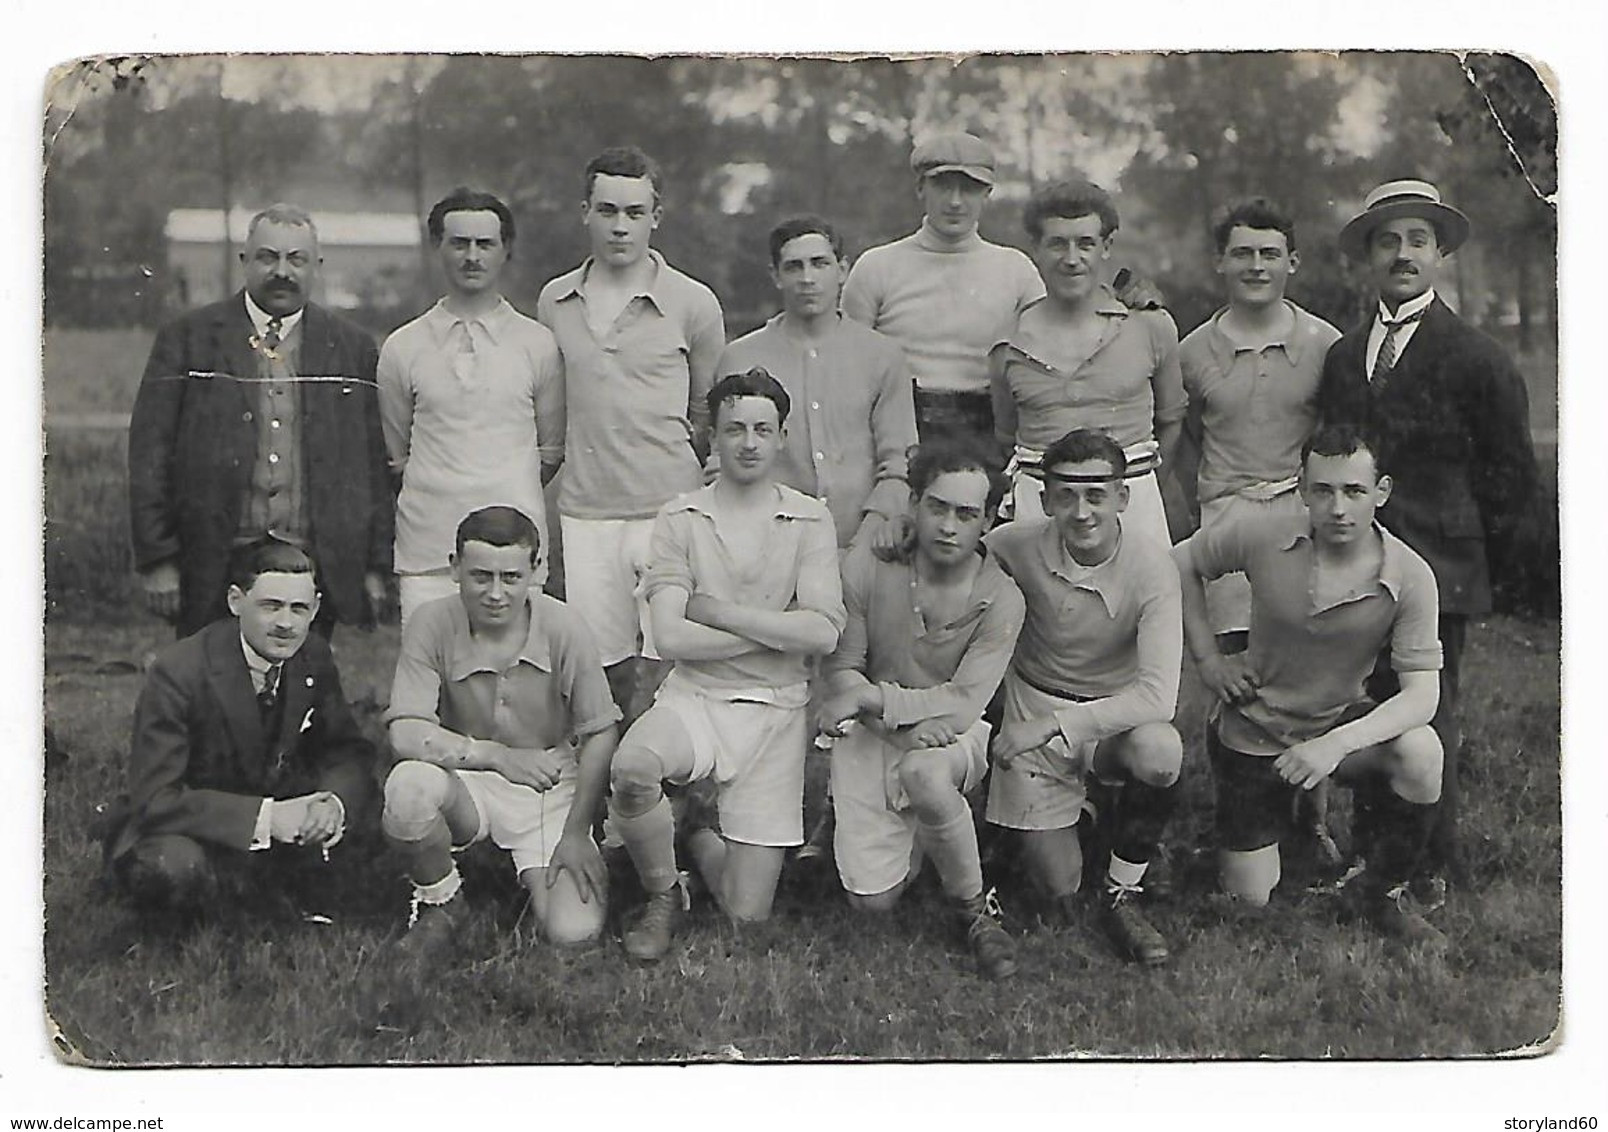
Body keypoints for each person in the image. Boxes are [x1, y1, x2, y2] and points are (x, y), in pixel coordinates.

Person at [1315, 179, 1540, 891]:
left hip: (1442, 566)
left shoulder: (1478, 357)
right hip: (1358, 560)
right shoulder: (1345, 355)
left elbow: (1511, 478)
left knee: (1430, 711)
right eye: (1388, 241)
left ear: (1439, 254)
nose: (1402, 254)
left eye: (1417, 240)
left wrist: (1490, 573)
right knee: (1370, 703)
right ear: (1368, 257)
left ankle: (1429, 866)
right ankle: (1371, 852)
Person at [607, 369, 845, 962]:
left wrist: (716, 612)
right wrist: (774, 634)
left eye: (763, 429)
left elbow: (824, 628)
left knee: (746, 913)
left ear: (783, 436)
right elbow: (670, 635)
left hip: (778, 711)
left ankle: (691, 831)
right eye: (734, 428)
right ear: (711, 435)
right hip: (697, 698)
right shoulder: (681, 517)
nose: (748, 442)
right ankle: (664, 892)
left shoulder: (810, 518)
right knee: (634, 767)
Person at [1173, 426, 1446, 944]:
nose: (1338, 508)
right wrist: (1210, 661)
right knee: (1250, 901)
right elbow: (1181, 562)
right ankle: (1274, 829)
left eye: (1354, 491)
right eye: (1322, 491)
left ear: (1381, 492)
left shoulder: (1411, 575)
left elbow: (1422, 697)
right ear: (1301, 489)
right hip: (1254, 727)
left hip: (1334, 728)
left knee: (1421, 751)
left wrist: (1335, 745)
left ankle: (1380, 891)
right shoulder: (1262, 531)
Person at [128, 203, 391, 638]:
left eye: (296, 259)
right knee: (211, 691)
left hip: (311, 563)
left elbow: (372, 465)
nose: (282, 272)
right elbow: (149, 454)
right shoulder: (189, 338)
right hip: (212, 561)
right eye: (268, 257)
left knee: (296, 693)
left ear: (317, 266)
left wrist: (375, 566)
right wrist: (158, 560)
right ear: (244, 262)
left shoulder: (351, 347)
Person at [819, 438, 1025, 979]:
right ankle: (893, 832)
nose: (949, 526)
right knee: (873, 903)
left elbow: (961, 704)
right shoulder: (869, 567)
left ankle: (977, 911)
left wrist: (875, 698)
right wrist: (889, 722)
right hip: (877, 732)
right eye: (937, 507)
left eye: (966, 514)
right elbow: (843, 673)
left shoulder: (1002, 596)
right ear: (913, 504)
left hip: (951, 737)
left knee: (923, 775)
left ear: (988, 519)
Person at [537, 146, 726, 722]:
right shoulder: (555, 299)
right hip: (587, 509)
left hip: (666, 509)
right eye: (608, 209)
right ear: (585, 212)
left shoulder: (693, 302)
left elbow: (706, 408)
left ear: (655, 217)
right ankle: (607, 793)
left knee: (673, 660)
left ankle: (672, 795)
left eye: (635, 212)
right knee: (600, 667)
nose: (621, 225)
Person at [380, 507, 621, 954]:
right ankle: (443, 900)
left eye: (510, 577)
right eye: (480, 576)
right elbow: (406, 733)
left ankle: (545, 862)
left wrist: (575, 832)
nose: (495, 593)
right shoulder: (431, 622)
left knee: (574, 933)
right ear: (454, 568)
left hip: (547, 782)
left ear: (536, 570)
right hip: (468, 777)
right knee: (409, 790)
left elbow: (600, 732)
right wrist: (496, 756)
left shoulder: (563, 624)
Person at [984, 429, 1183, 966]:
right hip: (1034, 700)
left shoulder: (1152, 566)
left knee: (1161, 751)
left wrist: (1055, 727)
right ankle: (1082, 815)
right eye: (1066, 494)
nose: (1081, 510)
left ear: (1123, 497)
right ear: (1044, 498)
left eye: (1097, 493)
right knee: (1060, 891)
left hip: (1108, 716)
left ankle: (1124, 887)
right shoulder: (1012, 544)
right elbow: (948, 556)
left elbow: (1159, 698)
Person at [103, 539, 376, 919]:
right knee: (173, 870)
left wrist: (332, 803)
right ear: (235, 601)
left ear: (315, 608)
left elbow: (347, 750)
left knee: (383, 830)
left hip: (276, 815)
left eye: (299, 609)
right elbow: (155, 800)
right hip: (193, 827)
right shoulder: (178, 672)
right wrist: (268, 818)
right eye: (271, 606)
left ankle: (275, 893)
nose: (286, 623)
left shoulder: (313, 655)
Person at [379, 188, 565, 632]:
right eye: (458, 243)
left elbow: (550, 450)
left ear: (506, 251)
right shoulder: (403, 346)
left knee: (514, 682)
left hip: (514, 547)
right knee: (430, 675)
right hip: (429, 545)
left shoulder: (537, 344)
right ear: (437, 247)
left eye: (485, 244)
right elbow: (396, 453)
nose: (472, 257)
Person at [1176, 197, 1341, 651]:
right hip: (1226, 511)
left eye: (1269, 254)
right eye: (1242, 254)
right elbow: (1186, 439)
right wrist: (1205, 505)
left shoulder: (1325, 344)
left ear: (1293, 262)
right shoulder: (1191, 352)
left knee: (1304, 648)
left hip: (1301, 509)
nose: (1256, 267)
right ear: (1220, 262)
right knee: (1233, 654)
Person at [990, 180, 1184, 546]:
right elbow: (1006, 435)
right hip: (1042, 506)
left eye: (1086, 244)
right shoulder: (1008, 343)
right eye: (1057, 244)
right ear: (1036, 249)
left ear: (1106, 247)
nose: (1072, 258)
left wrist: (1137, 488)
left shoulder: (1151, 326)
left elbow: (1172, 420)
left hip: (1132, 501)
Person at [718, 215, 917, 553]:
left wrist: (868, 539)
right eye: (794, 267)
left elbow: (899, 462)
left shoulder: (883, 356)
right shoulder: (740, 358)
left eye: (819, 264)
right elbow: (722, 461)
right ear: (775, 276)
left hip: (862, 544)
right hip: (766, 546)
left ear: (842, 270)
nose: (807, 278)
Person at [841, 132, 1044, 442]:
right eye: (943, 186)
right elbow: (849, 366)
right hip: (900, 426)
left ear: (987, 193)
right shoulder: (877, 266)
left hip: (990, 430)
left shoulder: (1016, 269)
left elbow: (1044, 357)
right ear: (921, 188)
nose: (955, 202)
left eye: (970, 189)